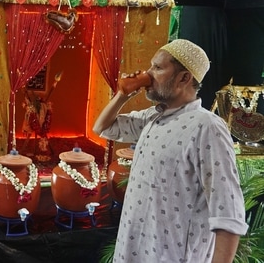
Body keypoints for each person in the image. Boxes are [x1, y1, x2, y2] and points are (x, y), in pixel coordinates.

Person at [93, 39, 248, 262]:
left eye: (157, 67)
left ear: (184, 78)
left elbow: (228, 214)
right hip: (133, 251)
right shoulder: (153, 116)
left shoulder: (207, 127)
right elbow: (103, 128)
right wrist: (123, 94)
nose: (147, 74)